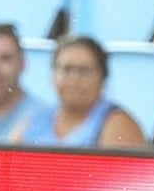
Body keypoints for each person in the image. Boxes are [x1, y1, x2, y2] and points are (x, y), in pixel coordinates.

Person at [13, 35, 147, 148]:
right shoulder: (34, 121)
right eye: (66, 69)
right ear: (52, 76)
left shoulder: (117, 124)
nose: (74, 78)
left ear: (102, 77)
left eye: (84, 71)